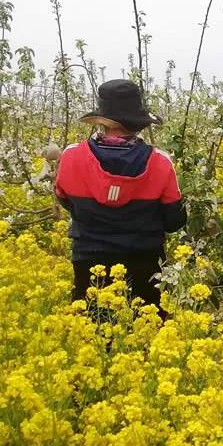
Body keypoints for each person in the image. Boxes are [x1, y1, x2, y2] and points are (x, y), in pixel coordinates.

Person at [54, 79, 187, 316]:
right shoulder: (160, 162)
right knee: (144, 335)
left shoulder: (71, 157)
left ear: (102, 120)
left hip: (89, 263)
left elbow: (65, 201)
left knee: (90, 336)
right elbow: (174, 221)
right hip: (144, 263)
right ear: (138, 123)